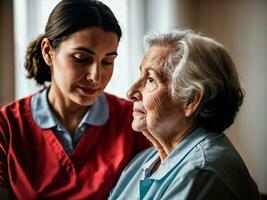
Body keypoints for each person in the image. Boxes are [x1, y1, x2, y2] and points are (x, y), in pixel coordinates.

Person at [0, 0, 151, 199]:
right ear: (48, 51)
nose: (96, 77)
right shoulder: (7, 126)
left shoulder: (134, 121)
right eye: (81, 58)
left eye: (107, 62)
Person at [108, 29, 262, 200]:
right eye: (141, 75)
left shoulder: (202, 172)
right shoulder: (142, 162)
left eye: (150, 79)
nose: (131, 92)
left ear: (190, 100)